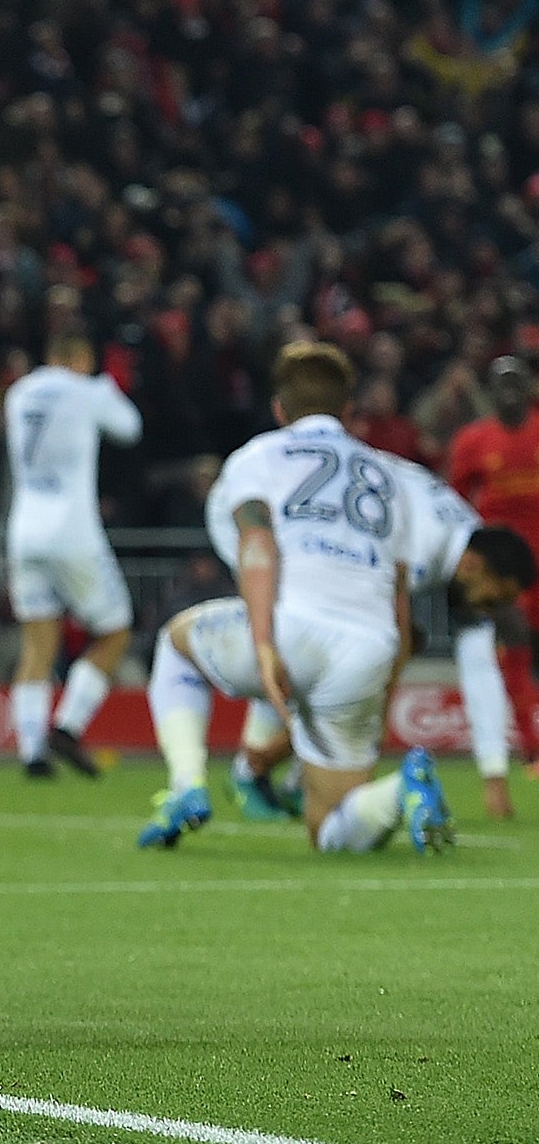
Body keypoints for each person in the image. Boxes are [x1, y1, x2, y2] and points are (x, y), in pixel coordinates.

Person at [140, 342, 452, 854]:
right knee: (330, 831)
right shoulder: (389, 476)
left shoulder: (258, 456)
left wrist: (264, 645)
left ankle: (185, 787)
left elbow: (257, 544)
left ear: (279, 409)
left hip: (290, 627)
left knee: (175, 646)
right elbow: (398, 590)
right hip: (366, 645)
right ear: (349, 412)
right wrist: (386, 679)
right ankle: (402, 790)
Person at [231, 463, 537, 822]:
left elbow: (479, 667)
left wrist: (494, 777)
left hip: (335, 533)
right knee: (321, 655)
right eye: (493, 597)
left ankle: (294, 776)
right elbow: (383, 654)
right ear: (473, 566)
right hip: (283, 527)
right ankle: (250, 770)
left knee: (353, 665)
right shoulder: (419, 547)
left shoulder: (463, 539)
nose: (491, 609)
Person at [2, 333, 143, 780]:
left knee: (37, 645)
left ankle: (32, 754)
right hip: (72, 533)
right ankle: (68, 726)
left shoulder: (19, 393)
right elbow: (130, 428)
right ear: (81, 357)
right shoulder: (87, 391)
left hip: (24, 531)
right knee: (115, 632)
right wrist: (108, 386)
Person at [445, 355, 539, 769]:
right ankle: (531, 745)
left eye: (515, 383)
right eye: (499, 384)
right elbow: (454, 504)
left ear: (529, 388)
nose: (507, 393)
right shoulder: (473, 441)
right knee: (515, 646)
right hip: (504, 572)